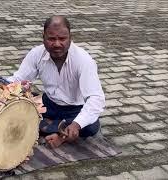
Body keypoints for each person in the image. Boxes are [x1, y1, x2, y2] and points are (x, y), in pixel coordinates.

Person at [7, 15, 105, 148]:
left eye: (62, 39)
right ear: (44, 37)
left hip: (74, 109)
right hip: (49, 104)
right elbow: (18, 79)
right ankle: (56, 126)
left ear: (70, 38)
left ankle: (56, 131)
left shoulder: (83, 60)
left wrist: (76, 125)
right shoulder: (37, 54)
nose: (57, 44)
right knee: (16, 105)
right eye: (51, 39)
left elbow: (96, 98)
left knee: (91, 126)